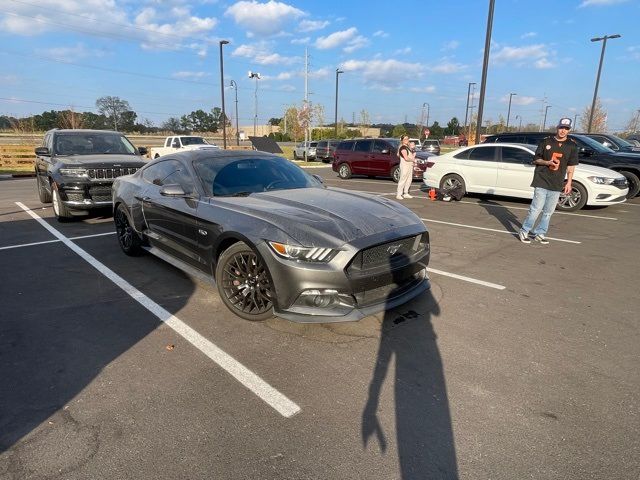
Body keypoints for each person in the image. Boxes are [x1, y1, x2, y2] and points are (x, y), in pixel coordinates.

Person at [518, 117, 578, 244]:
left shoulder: (571, 145)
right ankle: (525, 230)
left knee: (548, 211)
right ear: (557, 127)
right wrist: (548, 162)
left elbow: (571, 165)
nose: (563, 131)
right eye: (561, 127)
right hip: (542, 179)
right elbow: (536, 160)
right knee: (536, 209)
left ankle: (540, 232)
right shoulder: (546, 142)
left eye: (566, 129)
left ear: (569, 130)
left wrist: (569, 182)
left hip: (557, 182)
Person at [396, 135, 415, 200]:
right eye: (405, 139)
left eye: (407, 139)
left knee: (409, 179)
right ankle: (399, 194)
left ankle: (406, 193)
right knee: (403, 179)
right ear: (402, 140)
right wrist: (413, 160)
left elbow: (398, 155)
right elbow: (406, 158)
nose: (407, 140)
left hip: (409, 165)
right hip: (404, 166)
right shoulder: (403, 148)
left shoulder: (407, 147)